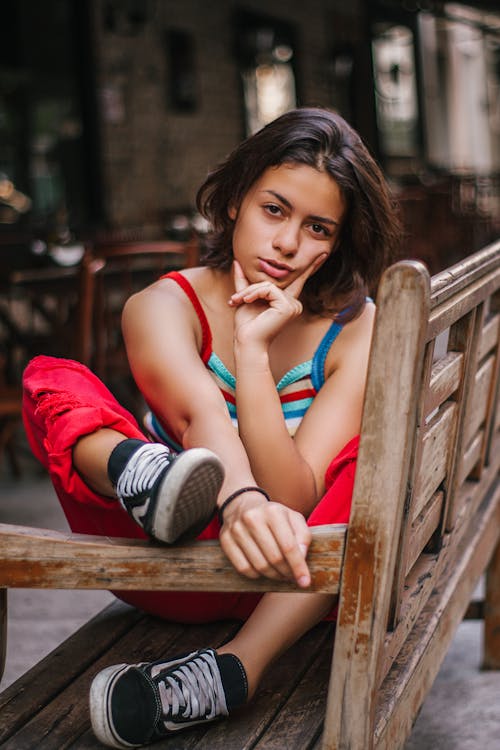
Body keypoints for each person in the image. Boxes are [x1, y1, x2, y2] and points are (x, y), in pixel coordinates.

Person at [22, 107, 401, 748]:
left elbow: (298, 500)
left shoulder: (355, 330)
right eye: (273, 210)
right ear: (234, 202)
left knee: (375, 451)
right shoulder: (165, 305)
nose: (286, 244)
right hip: (176, 562)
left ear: (337, 242)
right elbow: (200, 412)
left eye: (317, 228)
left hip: (297, 580)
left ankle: (234, 669)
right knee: (50, 379)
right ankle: (145, 475)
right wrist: (239, 500)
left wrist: (253, 357)